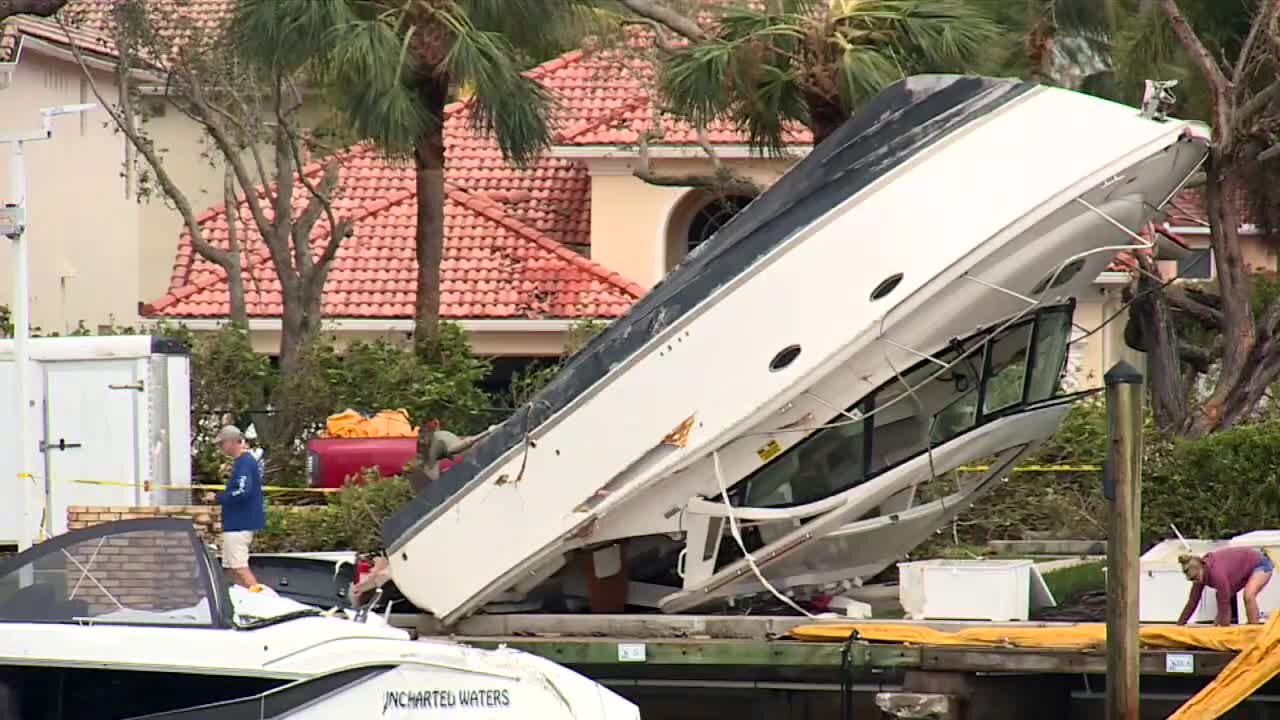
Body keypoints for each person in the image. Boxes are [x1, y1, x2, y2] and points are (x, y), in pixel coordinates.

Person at [203, 425, 265, 588]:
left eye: (222, 443)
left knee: (239, 567)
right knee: (231, 568)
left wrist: (217, 497)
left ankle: (260, 597)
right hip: (234, 524)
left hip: (240, 524)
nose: (221, 447)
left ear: (231, 442)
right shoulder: (242, 462)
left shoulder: (245, 463)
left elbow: (242, 491)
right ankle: (243, 596)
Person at [1176, 547, 1273, 626]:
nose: (1196, 580)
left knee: (1248, 595)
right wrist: (1180, 624)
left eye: (1196, 577)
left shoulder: (1216, 573)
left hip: (1260, 563)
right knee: (1220, 596)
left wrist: (1223, 627)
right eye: (1192, 579)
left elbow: (1225, 603)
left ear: (1201, 568)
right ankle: (1223, 626)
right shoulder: (1199, 576)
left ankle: (1253, 629)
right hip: (1242, 569)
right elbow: (1192, 602)